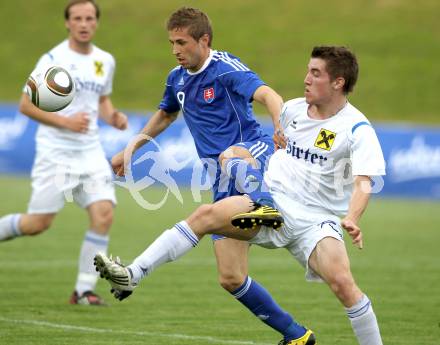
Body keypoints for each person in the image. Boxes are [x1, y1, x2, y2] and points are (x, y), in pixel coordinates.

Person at [95, 46, 385, 345]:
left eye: (316, 73)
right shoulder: (293, 111)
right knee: (206, 218)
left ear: (338, 82)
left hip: (316, 221)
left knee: (343, 284)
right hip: (272, 202)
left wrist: (352, 217)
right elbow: (260, 127)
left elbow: (364, 181)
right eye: (308, 71)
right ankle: (134, 273)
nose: (306, 79)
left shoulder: (357, 129)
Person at [109, 6, 312, 345]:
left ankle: (265, 205)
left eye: (182, 42)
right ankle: (297, 336)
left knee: (226, 162)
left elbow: (269, 95)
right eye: (172, 43)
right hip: (222, 179)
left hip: (253, 154)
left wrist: (278, 124)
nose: (175, 50)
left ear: (204, 40)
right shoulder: (176, 79)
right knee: (231, 277)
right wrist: (131, 149)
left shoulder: (224, 68)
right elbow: (165, 115)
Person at [0, 0, 128, 305]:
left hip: (90, 151)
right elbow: (25, 105)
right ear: (67, 23)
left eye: (89, 18)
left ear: (96, 23)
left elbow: (103, 99)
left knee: (104, 215)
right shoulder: (53, 58)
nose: (84, 24)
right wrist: (66, 121)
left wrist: (113, 116)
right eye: (77, 18)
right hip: (56, 153)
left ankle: (84, 290)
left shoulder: (105, 60)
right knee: (37, 224)